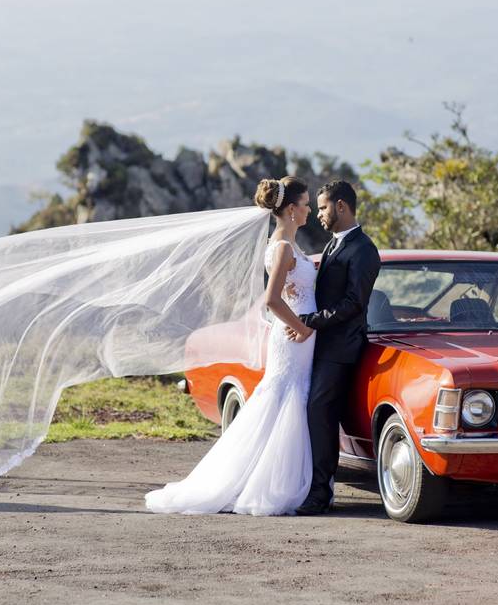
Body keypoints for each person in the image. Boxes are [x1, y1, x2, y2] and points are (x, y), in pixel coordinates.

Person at [145, 176, 318, 515]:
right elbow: (272, 301)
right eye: (307, 204)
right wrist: (304, 329)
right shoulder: (283, 247)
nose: (310, 209)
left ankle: (264, 475)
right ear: (293, 209)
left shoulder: (287, 244)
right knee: (286, 401)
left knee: (284, 402)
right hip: (295, 337)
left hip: (297, 337)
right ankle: (269, 483)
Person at [286, 180, 381, 516]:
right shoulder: (333, 245)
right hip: (319, 346)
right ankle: (313, 486)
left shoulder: (364, 250)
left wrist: (311, 321)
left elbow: (354, 303)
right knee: (313, 413)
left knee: (319, 413)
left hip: (342, 350)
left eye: (323, 208)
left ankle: (320, 491)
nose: (319, 215)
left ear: (341, 206)